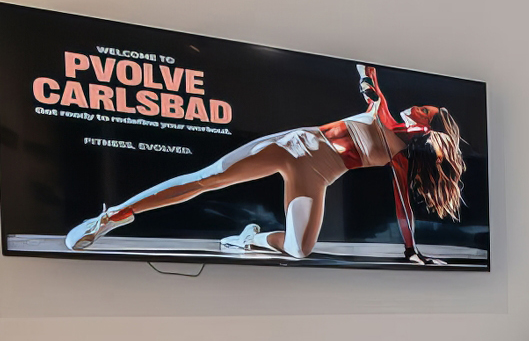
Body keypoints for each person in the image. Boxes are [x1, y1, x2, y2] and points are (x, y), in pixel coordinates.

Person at [65, 65, 465, 265]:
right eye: (421, 104)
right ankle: (114, 215)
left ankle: (249, 239)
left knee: (299, 250)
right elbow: (368, 71)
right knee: (207, 179)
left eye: (424, 110)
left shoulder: (400, 156)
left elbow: (403, 205)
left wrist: (412, 251)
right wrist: (365, 74)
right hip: (292, 146)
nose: (416, 106)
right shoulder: (381, 107)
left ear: (428, 126)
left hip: (316, 176)